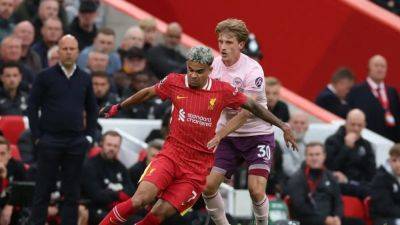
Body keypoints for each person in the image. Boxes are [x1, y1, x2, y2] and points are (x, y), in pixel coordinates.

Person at [98, 45, 296, 225]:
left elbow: (253, 106)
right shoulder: (174, 81)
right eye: (190, 69)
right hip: (170, 156)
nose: (192, 75)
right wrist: (117, 106)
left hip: (196, 170)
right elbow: (148, 93)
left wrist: (282, 125)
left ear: (210, 70)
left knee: (158, 215)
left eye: (199, 71)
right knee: (140, 199)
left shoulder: (222, 91)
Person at [201, 19, 290, 225]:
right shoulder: (213, 66)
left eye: (229, 42)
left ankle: (262, 223)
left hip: (257, 135)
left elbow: (246, 113)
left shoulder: (253, 70)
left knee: (256, 189)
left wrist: (219, 134)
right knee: (208, 187)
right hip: (229, 137)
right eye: (220, 41)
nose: (223, 46)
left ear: (241, 45)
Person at [27, 35, 98, 225]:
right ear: (58, 51)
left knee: (72, 192)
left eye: (72, 49)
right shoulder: (44, 76)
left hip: (76, 141)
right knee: (42, 190)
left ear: (77, 52)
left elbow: (92, 109)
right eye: (64, 48)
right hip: (49, 140)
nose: (68, 52)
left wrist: (89, 136)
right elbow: (32, 106)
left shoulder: (85, 78)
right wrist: (37, 137)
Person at [286, 142, 364, 225]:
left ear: (324, 156)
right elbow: (300, 207)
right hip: (308, 219)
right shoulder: (297, 178)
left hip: (331, 219)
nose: (314, 158)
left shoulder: (330, 176)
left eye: (317, 154)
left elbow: (338, 201)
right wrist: (324, 220)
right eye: (311, 155)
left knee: (358, 223)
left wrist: (337, 217)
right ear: (306, 157)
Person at [82, 131, 135, 225]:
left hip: (118, 209)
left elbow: (131, 191)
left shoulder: (121, 167)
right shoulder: (90, 166)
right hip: (96, 209)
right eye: (109, 145)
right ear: (101, 144)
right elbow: (96, 195)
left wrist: (111, 194)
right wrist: (118, 195)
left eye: (115, 146)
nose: (112, 149)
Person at [347, 54, 400, 142]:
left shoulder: (392, 92)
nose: (380, 69)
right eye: (376, 65)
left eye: (383, 66)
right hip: (366, 140)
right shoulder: (356, 91)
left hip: (390, 142)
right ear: (369, 68)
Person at [324, 109, 375, 199]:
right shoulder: (332, 141)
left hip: (359, 185)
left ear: (364, 126)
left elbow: (371, 172)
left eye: (359, 125)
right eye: (353, 124)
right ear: (346, 123)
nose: (356, 128)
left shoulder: (366, 145)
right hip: (339, 185)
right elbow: (330, 167)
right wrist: (346, 148)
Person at [370, 143, 400, 225]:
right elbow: (384, 208)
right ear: (389, 160)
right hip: (384, 220)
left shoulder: (397, 178)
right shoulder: (381, 179)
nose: (398, 164)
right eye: (394, 160)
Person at [0, 136, 26, 225]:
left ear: (9, 154)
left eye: (2, 154)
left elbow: (23, 193)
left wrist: (10, 205)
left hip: (14, 211)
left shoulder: (18, 168)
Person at [281, 111, 309, 178]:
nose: (299, 126)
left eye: (302, 123)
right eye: (295, 122)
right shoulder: (283, 145)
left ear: (307, 127)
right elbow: (289, 170)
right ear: (289, 125)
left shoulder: (307, 145)